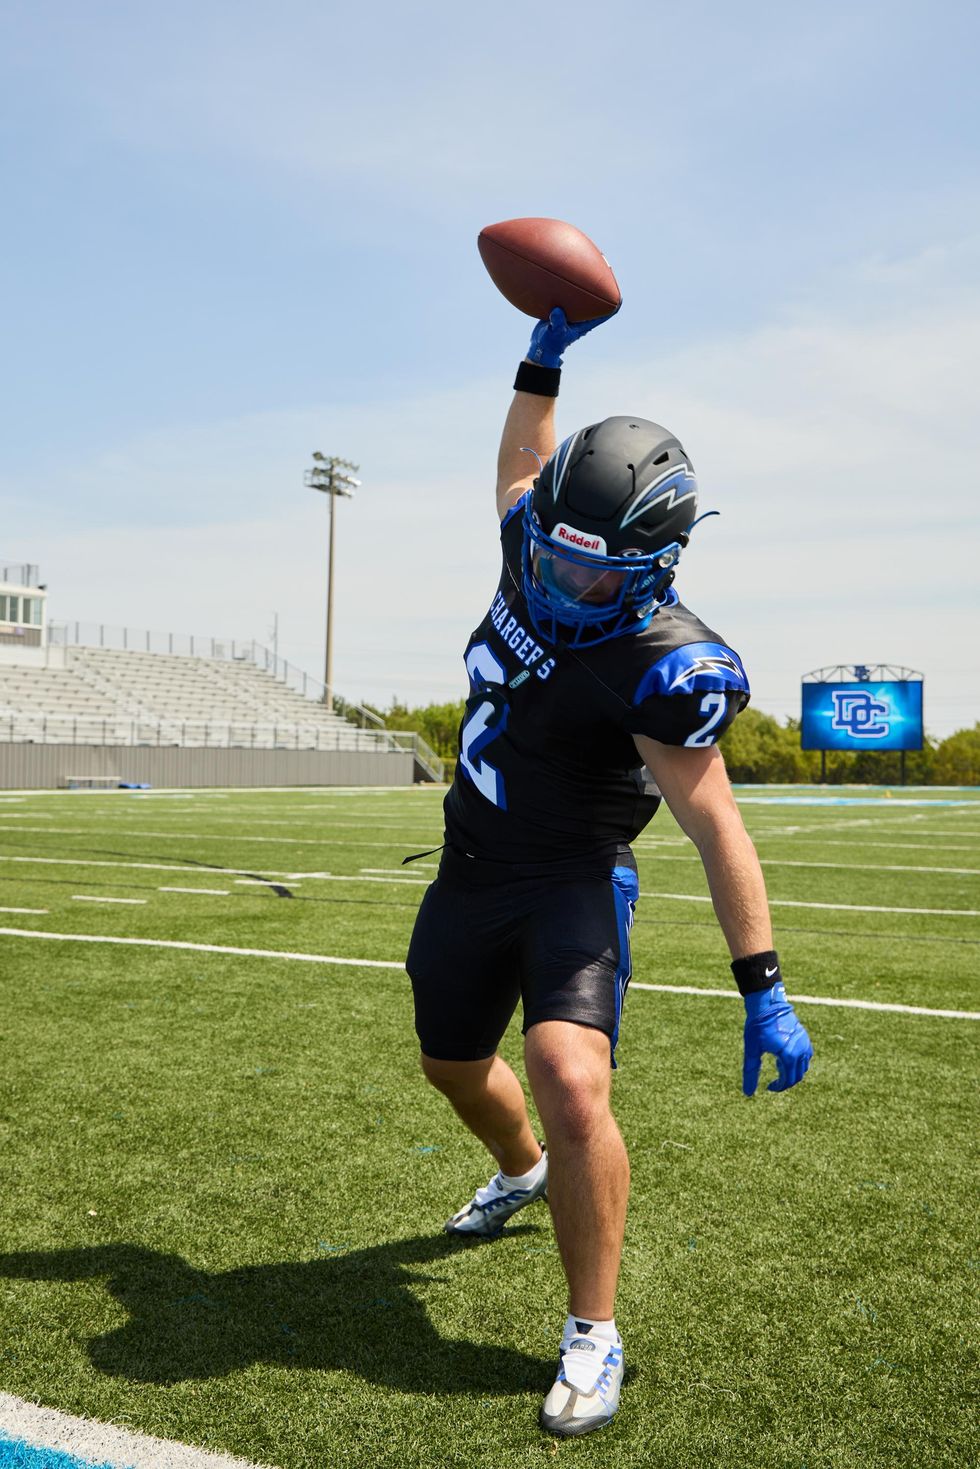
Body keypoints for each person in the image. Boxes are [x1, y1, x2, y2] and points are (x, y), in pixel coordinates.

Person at [405, 304, 813, 1438]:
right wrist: (540, 359)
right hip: (468, 867)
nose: (559, 579)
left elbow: (716, 825)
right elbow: (520, 460)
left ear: (657, 567)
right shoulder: (534, 537)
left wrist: (762, 981)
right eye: (553, 553)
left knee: (569, 1074)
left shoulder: (661, 663)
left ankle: (593, 1331)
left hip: (572, 878)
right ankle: (521, 1170)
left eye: (594, 572)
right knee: (450, 1064)